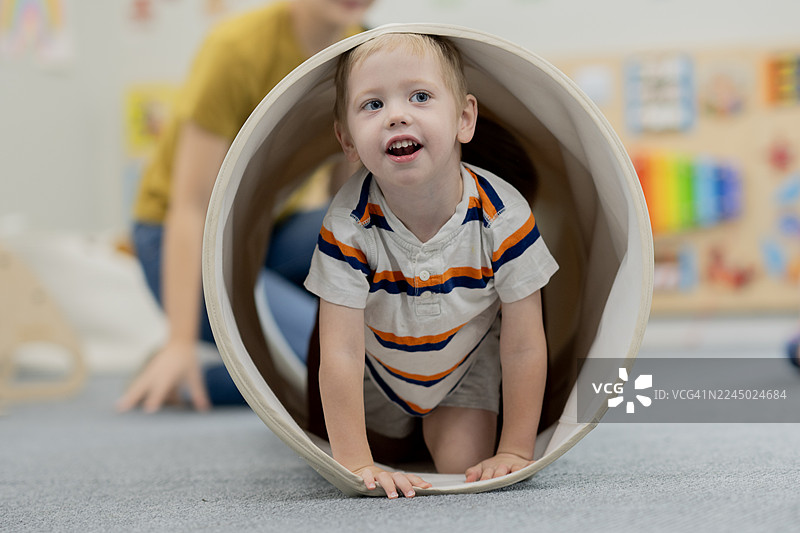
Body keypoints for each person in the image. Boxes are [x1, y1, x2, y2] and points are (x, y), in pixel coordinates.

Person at [303, 33, 559, 499]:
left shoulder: (504, 215)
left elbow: (524, 344)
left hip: (462, 364)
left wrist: (517, 450)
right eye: (372, 104)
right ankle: (387, 436)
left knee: (467, 467)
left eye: (420, 96)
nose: (397, 114)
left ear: (464, 119)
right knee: (369, 459)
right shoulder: (348, 225)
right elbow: (338, 351)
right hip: (374, 365)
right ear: (348, 140)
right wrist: (357, 462)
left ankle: (439, 427)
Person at [117, 0, 374, 414]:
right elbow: (190, 205)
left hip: (267, 229)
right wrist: (179, 339)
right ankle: (188, 371)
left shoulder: (361, 49)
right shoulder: (236, 49)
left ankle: (243, 348)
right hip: (180, 235)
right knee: (336, 365)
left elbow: (343, 193)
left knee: (369, 235)